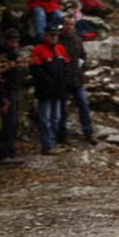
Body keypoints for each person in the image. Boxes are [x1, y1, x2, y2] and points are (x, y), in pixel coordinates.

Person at [29, 23, 70, 155]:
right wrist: (48, 81)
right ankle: (48, 145)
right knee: (45, 118)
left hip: (59, 90)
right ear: (45, 36)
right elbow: (35, 69)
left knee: (56, 117)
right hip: (45, 90)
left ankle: (53, 142)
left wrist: (65, 80)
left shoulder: (61, 49)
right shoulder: (38, 50)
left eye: (56, 35)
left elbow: (67, 66)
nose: (54, 37)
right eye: (51, 35)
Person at [57, 14, 98, 146]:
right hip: (62, 81)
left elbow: (83, 57)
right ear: (62, 25)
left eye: (72, 25)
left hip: (76, 79)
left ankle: (89, 132)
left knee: (84, 105)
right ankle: (63, 134)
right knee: (63, 108)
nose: (69, 27)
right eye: (67, 24)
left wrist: (82, 70)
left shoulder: (77, 39)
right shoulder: (57, 40)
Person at [0, 29, 24, 164]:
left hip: (13, 90)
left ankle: (8, 151)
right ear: (5, 41)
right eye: (12, 42)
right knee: (9, 122)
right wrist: (2, 100)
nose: (14, 44)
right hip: (5, 92)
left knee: (13, 122)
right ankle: (3, 153)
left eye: (16, 42)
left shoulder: (13, 53)